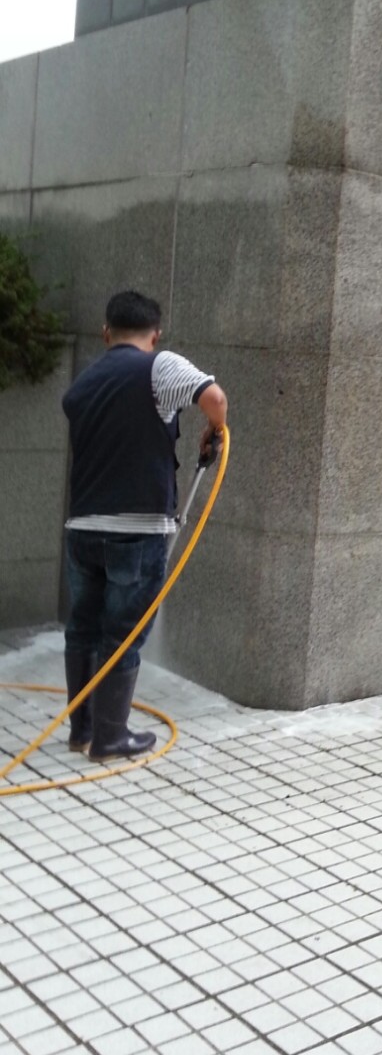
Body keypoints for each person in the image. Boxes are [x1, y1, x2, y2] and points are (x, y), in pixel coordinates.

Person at [61, 291, 227, 761]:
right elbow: (214, 398)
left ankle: (82, 731)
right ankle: (111, 738)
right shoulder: (159, 366)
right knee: (122, 636)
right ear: (155, 335)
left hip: (82, 527)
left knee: (82, 629)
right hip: (136, 532)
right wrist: (213, 428)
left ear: (105, 333)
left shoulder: (84, 382)